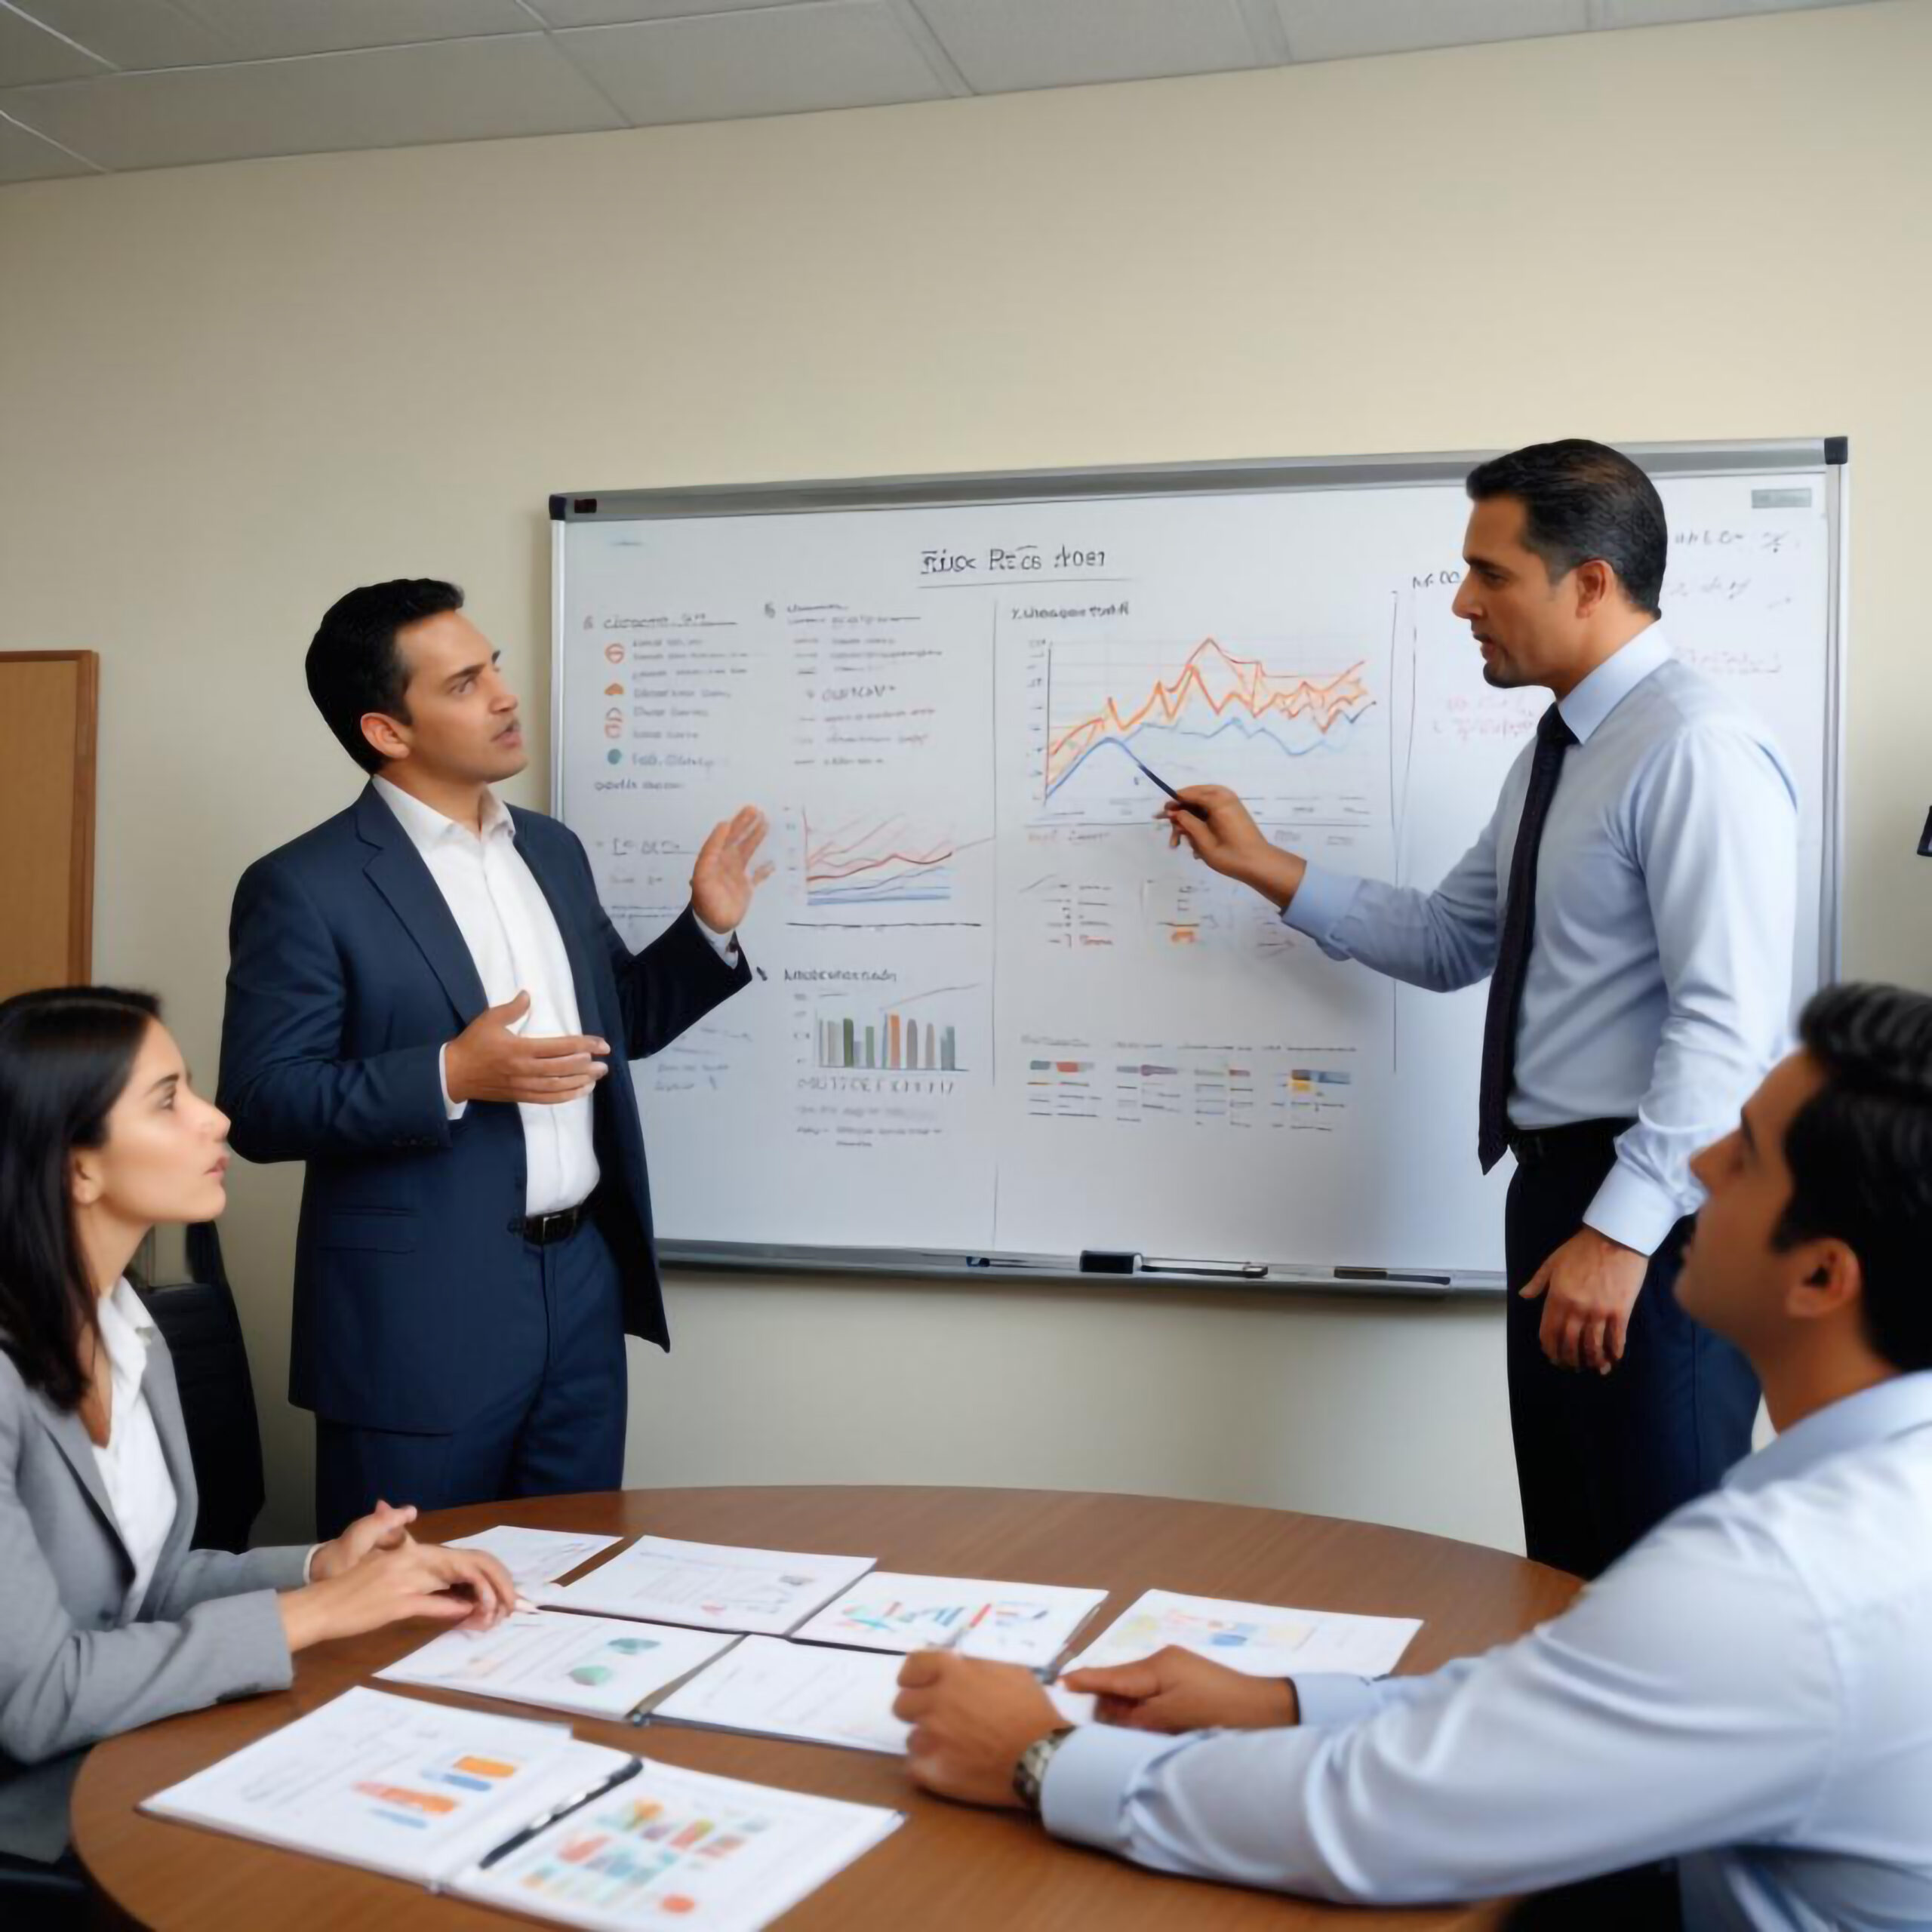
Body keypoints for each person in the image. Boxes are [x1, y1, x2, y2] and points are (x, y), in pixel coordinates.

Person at [896, 980, 1932, 1927]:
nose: (1697, 1161)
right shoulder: (1867, 1499)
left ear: (1822, 1277)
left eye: (1743, 1150)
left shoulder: (1785, 1585)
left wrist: (1044, 1758)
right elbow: (1557, 1708)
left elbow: (1380, 1821)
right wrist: (1282, 1702)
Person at [1162, 439, 1797, 1577]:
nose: (1463, 602)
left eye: (1490, 573)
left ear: (1590, 582)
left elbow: (1728, 1026)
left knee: (1667, 1585)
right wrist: (1266, 867)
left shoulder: (1694, 748)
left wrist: (1619, 1231)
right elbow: (1456, 939)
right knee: (1563, 1568)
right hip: (1556, 1201)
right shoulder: (1556, 752)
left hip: (1653, 1220)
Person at [218, 580, 771, 1537]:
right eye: (466, 683)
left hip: (580, 1291)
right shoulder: (302, 886)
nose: (506, 695)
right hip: (415, 1316)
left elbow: (615, 1027)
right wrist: (447, 1075)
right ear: (388, 731)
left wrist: (706, 933)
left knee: (570, 1581)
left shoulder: (550, 852)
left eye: (496, 666)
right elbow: (262, 1104)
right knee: (405, 1613)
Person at [0, 986, 517, 1878]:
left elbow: (146, 1586)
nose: (216, 1120)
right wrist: (314, 1616)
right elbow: (39, 1698)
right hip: (44, 1812)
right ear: (75, 1166)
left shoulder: (133, 1334)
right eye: (169, 1100)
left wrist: (324, 1567)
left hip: (144, 1752)